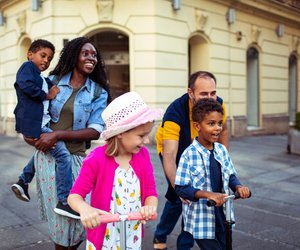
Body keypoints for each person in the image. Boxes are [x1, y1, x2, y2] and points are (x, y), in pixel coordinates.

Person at [23, 36, 110, 250]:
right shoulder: (51, 81)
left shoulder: (98, 92)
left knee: (82, 220)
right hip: (49, 160)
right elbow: (30, 111)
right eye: (85, 53)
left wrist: (57, 135)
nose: (91, 58)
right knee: (62, 223)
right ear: (73, 56)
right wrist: (30, 137)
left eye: (94, 55)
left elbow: (96, 130)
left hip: (79, 161)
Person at [67, 91, 163, 250]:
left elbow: (150, 192)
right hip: (103, 237)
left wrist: (149, 206)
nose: (146, 141)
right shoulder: (96, 159)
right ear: (120, 133)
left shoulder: (142, 155)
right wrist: (85, 209)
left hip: (132, 232)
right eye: (141, 135)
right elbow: (74, 197)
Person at [153, 71, 229, 249]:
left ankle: (185, 241)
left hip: (203, 147)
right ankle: (160, 234)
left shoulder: (218, 104)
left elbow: (224, 130)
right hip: (175, 149)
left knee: (200, 194)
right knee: (178, 198)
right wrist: (179, 188)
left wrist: (222, 161)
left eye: (213, 93)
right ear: (191, 93)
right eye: (203, 94)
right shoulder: (175, 112)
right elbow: (170, 155)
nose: (209, 98)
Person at [11, 39, 78, 218]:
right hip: (35, 124)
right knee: (63, 156)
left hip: (41, 124)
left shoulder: (42, 78)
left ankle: (23, 181)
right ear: (30, 54)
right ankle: (64, 201)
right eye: (43, 55)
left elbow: (56, 85)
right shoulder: (27, 68)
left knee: (43, 149)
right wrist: (46, 94)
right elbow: (24, 85)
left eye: (49, 58)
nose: (46, 61)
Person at [174, 98, 250, 250]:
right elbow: (181, 188)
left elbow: (230, 175)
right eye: (211, 123)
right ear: (197, 126)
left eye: (220, 123)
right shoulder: (188, 155)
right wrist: (207, 194)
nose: (217, 128)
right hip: (202, 220)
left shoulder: (221, 150)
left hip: (224, 216)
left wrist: (238, 186)